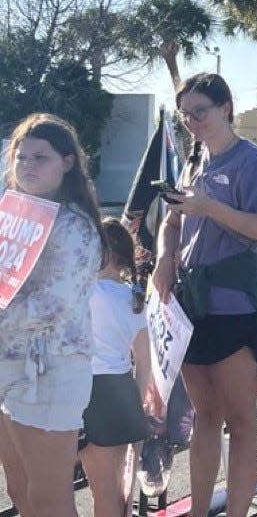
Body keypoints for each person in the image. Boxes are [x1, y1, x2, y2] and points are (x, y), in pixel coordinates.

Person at [151, 73, 257, 517]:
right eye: (185, 113)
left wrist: (210, 207)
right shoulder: (195, 162)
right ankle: (198, 510)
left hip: (234, 306)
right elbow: (172, 224)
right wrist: (164, 259)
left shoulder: (252, 162)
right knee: (204, 418)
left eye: (200, 111)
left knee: (242, 421)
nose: (192, 121)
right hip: (192, 307)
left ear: (226, 107)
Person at [0, 113, 106, 516]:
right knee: (20, 491)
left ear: (67, 161)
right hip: (10, 364)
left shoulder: (75, 227)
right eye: (21, 157)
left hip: (51, 370)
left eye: (39, 157)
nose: (27, 165)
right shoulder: (12, 215)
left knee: (49, 500)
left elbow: (53, 304)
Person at [79, 218, 151, 517]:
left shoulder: (84, 293)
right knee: (117, 489)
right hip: (122, 393)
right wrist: (141, 405)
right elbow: (145, 363)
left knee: (101, 490)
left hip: (87, 390)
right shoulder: (133, 299)